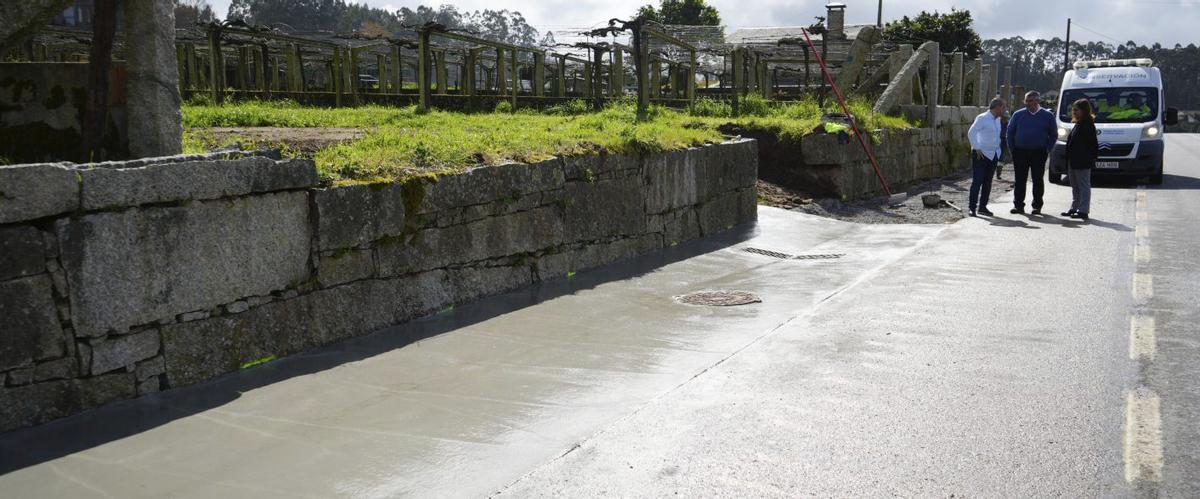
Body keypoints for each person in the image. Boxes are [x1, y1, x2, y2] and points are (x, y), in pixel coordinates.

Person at [1005, 91, 1057, 214]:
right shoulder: (1018, 115)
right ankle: (1018, 205)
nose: (1027, 103)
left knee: (1037, 179)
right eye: (1026, 101)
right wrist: (1012, 149)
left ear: (1037, 101)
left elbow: (1053, 134)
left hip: (1039, 152)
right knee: (1020, 179)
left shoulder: (1047, 115)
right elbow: (1010, 132)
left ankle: (1037, 206)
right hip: (1020, 151)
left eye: (1030, 101)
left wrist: (1047, 149)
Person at [967, 98, 1006, 217]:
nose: (1004, 110)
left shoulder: (998, 120)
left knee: (987, 182)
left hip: (993, 154)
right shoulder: (982, 118)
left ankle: (983, 207)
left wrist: (998, 151)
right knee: (977, 181)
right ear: (997, 107)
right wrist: (976, 147)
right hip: (981, 154)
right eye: (1003, 107)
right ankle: (972, 208)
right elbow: (971, 132)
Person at [1063, 98, 1098, 221]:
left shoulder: (1088, 125)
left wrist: (1090, 159)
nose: (1074, 112)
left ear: (1084, 111)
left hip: (1082, 161)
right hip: (1073, 160)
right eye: (1073, 110)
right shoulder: (1078, 124)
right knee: (1075, 186)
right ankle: (1075, 207)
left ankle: (1083, 210)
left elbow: (1093, 144)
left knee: (1083, 186)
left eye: (1076, 110)